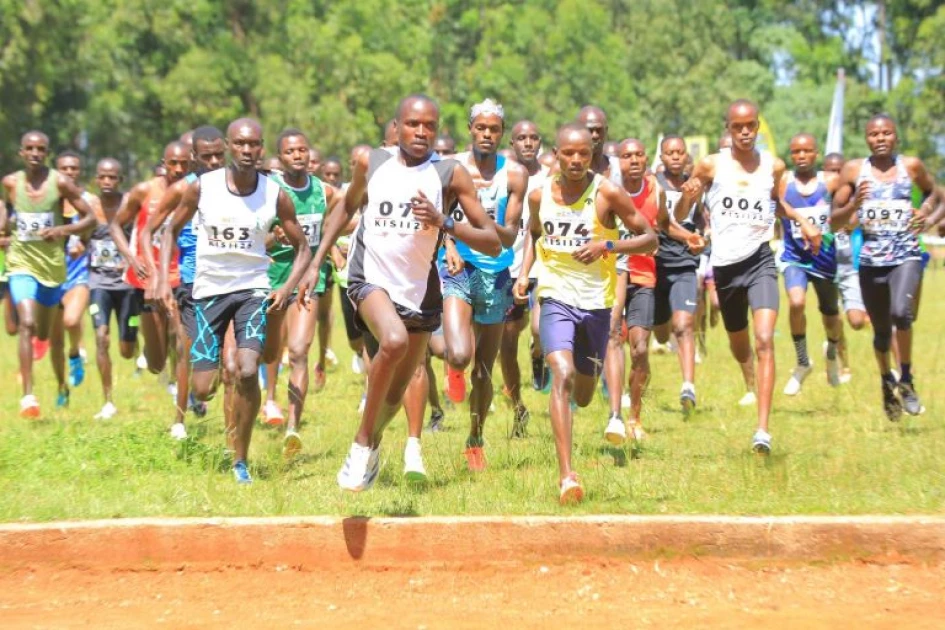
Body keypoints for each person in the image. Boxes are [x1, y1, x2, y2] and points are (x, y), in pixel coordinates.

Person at [299, 94, 501, 492]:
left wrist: (444, 222)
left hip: (420, 294)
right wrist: (315, 259)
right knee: (390, 341)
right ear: (397, 126)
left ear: (438, 129)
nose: (421, 132)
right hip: (369, 277)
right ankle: (360, 444)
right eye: (412, 124)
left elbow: (493, 242)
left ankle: (373, 446)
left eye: (429, 125)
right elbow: (345, 207)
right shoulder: (371, 162)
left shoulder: (450, 174)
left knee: (395, 394)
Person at [514, 124, 657, 504]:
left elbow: (650, 238)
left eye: (583, 154)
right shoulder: (539, 194)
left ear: (592, 155)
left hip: (595, 302)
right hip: (555, 295)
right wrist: (525, 273)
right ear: (556, 154)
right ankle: (567, 476)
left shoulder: (607, 192)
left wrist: (606, 244)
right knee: (561, 373)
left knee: (585, 391)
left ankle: (589, 388)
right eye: (568, 154)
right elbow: (535, 233)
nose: (576, 161)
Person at [167, 118, 311, 483]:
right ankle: (203, 390)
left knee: (246, 370)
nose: (247, 151)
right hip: (208, 290)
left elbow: (304, 247)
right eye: (241, 144)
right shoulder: (203, 188)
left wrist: (286, 287)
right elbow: (170, 228)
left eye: (254, 145)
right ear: (229, 147)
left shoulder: (275, 194)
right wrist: (158, 276)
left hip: (252, 289)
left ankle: (240, 460)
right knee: (205, 387)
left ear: (261, 148)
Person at [679, 100, 822, 454]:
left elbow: (777, 203)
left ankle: (762, 430)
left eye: (751, 126)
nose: (745, 132)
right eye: (738, 126)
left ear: (758, 127)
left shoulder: (773, 166)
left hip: (760, 260)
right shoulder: (711, 164)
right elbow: (682, 210)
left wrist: (802, 220)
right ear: (728, 128)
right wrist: (686, 199)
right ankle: (750, 379)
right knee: (740, 344)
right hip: (726, 266)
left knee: (764, 340)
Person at [830, 114, 944, 420]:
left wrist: (927, 216)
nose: (880, 138)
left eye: (886, 133)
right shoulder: (854, 170)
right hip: (870, 261)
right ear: (866, 138)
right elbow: (834, 220)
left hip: (906, 254)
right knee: (881, 334)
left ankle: (906, 379)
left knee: (901, 314)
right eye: (874, 134)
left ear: (896, 137)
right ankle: (886, 382)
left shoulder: (912, 167)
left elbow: (937, 194)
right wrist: (853, 206)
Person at [437, 99, 527, 470]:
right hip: (458, 267)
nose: (487, 135)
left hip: (497, 272)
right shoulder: (452, 168)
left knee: (484, 370)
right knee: (460, 353)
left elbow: (507, 235)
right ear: (470, 129)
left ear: (501, 133)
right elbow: (441, 216)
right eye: (480, 128)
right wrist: (450, 244)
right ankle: (451, 366)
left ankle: (475, 439)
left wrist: (489, 228)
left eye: (493, 130)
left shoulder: (515, 175)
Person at [1, 130, 95, 416]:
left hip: (53, 269)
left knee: (48, 333)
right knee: (26, 323)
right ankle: (28, 397)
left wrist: (62, 230)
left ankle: (61, 386)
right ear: (21, 152)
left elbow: (90, 216)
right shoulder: (11, 183)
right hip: (20, 264)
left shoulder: (61, 183)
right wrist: (4, 231)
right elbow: (7, 212)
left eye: (40, 148)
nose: (35, 153)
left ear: (47, 152)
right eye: (29, 148)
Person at [261, 128, 342, 458]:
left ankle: (293, 428)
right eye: (290, 151)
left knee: (297, 351)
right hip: (272, 277)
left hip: (309, 278)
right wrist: (271, 238)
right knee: (269, 352)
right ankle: (268, 399)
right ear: (280, 158)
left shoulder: (325, 192)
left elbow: (345, 214)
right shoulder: (268, 190)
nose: (298, 155)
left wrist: (324, 252)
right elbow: (254, 239)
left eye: (303, 150)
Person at [146, 125, 227, 438]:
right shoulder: (183, 190)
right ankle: (179, 420)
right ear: (195, 157)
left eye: (219, 155)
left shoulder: (239, 185)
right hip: (191, 282)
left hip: (230, 282)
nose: (214, 162)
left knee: (221, 363)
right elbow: (153, 229)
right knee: (184, 348)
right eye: (206, 157)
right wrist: (158, 275)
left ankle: (207, 400)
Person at [110, 141, 189, 380]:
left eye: (184, 164)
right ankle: (155, 354)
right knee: (156, 362)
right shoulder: (144, 190)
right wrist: (132, 258)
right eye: (173, 163)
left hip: (182, 273)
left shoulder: (195, 191)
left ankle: (184, 387)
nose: (178, 169)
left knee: (181, 334)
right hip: (147, 278)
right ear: (164, 164)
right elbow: (115, 225)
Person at [779, 134, 846, 395]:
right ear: (791, 154)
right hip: (795, 257)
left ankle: (831, 351)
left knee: (831, 316)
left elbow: (843, 207)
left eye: (807, 151)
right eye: (796, 151)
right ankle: (802, 362)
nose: (801, 156)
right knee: (796, 302)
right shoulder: (784, 184)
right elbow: (773, 202)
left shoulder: (829, 182)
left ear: (816, 154)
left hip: (825, 259)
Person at [500, 119, 549, 437]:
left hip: (543, 265)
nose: (528, 142)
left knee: (539, 330)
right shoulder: (501, 175)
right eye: (521, 138)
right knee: (507, 340)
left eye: (533, 137)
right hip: (507, 265)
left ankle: (538, 355)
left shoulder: (551, 178)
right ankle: (518, 405)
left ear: (540, 142)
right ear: (512, 142)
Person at [650, 135, 706, 412]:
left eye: (679, 152)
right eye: (669, 152)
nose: (674, 156)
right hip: (655, 263)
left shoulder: (695, 185)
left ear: (686, 156)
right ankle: (662, 339)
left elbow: (700, 219)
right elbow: (659, 222)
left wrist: (703, 236)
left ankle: (688, 386)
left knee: (684, 325)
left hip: (684, 262)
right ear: (661, 157)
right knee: (661, 333)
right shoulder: (651, 184)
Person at [87, 158, 140, 419]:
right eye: (102, 177)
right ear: (97, 179)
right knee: (101, 336)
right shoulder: (90, 206)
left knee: (126, 350)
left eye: (112, 177)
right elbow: (80, 232)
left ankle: (135, 343)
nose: (107, 181)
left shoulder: (130, 202)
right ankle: (108, 401)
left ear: (120, 180)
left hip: (127, 285)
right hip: (98, 283)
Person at [823, 153, 865, 381]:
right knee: (835, 319)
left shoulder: (856, 197)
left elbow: (852, 223)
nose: (836, 175)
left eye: (839, 170)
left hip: (852, 266)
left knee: (856, 321)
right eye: (830, 170)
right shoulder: (818, 197)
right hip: (827, 266)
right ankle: (842, 365)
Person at [54, 151, 93, 388]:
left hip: (80, 271)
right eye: (64, 168)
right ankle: (61, 384)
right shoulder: (48, 199)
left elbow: (99, 231)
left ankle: (75, 353)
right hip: (51, 271)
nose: (69, 172)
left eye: (73, 168)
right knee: (51, 334)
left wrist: (84, 244)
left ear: (79, 171)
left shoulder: (88, 199)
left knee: (71, 320)